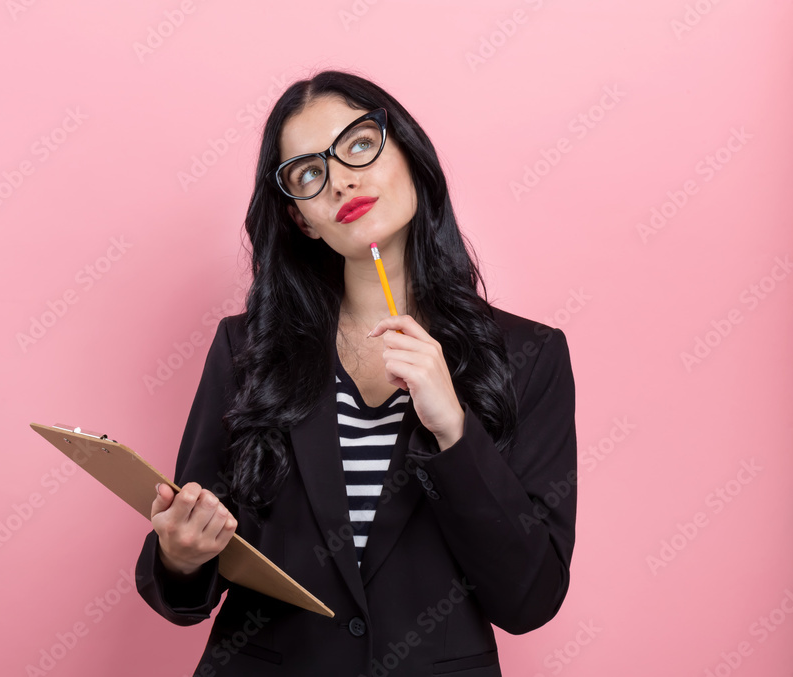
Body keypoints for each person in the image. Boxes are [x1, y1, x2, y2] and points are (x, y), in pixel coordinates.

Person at [134, 69, 577, 676]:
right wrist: (181, 556)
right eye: (309, 174)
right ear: (302, 219)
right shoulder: (247, 348)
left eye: (360, 145)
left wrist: (454, 431)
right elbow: (187, 576)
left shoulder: (530, 354)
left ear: (411, 158)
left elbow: (531, 598)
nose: (341, 179)